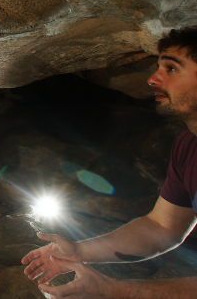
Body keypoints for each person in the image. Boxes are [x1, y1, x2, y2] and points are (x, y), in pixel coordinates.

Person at [21, 26, 197, 298]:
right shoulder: (189, 146)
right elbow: (162, 228)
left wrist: (113, 290)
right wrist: (80, 252)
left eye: (172, 69)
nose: (152, 80)